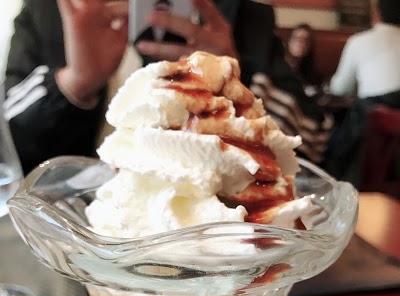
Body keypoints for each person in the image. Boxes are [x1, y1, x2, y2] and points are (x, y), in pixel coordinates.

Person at [5, 0, 332, 174]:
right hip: (67, 232)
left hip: (210, 237)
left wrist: (230, 83)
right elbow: (7, 145)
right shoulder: (49, 10)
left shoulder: (241, 16)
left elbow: (312, 140)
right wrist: (74, 83)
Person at [324, 0, 400, 184]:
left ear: (377, 14)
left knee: (338, 146)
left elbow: (340, 88)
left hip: (372, 121)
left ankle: (337, 187)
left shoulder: (359, 41)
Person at [285, 23, 319, 94]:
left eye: (306, 40)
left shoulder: (307, 69)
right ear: (289, 42)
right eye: (297, 38)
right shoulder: (280, 66)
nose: (300, 42)